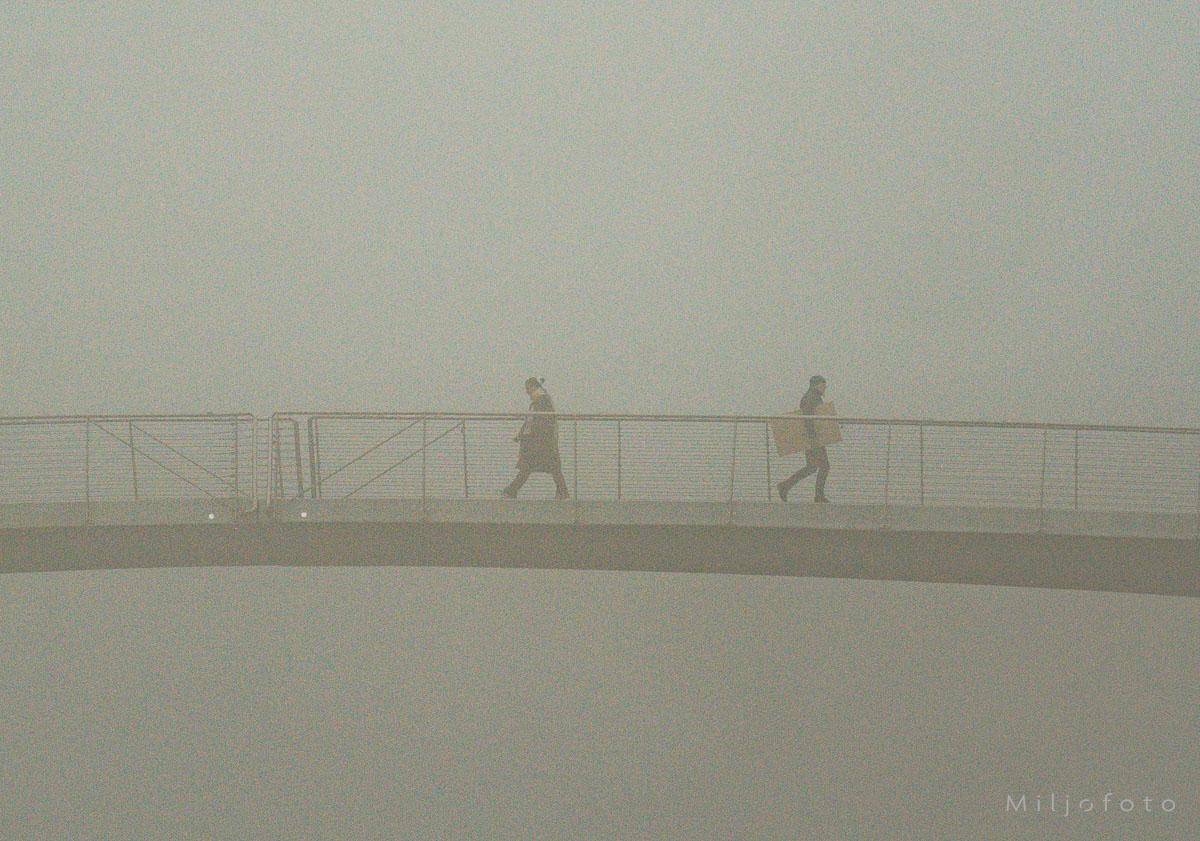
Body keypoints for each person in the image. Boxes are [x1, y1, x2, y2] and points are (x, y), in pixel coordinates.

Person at [502, 377, 570, 499]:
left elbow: (536, 421)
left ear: (533, 386)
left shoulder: (541, 401)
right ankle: (562, 492)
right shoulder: (541, 400)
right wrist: (521, 435)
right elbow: (534, 421)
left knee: (528, 466)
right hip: (542, 441)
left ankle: (512, 490)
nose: (526, 391)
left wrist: (525, 435)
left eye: (527, 388)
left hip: (538, 442)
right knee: (551, 466)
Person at [777, 375, 831, 503]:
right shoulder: (811, 398)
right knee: (824, 466)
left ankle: (785, 486)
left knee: (812, 466)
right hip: (814, 438)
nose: (825, 388)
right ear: (816, 385)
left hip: (813, 438)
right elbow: (808, 419)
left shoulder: (812, 397)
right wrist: (814, 437)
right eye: (823, 385)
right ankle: (818, 496)